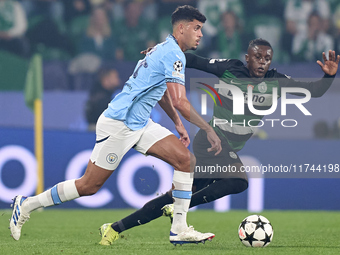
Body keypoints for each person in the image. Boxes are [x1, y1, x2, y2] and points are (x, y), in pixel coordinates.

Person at [9, 5, 222, 246]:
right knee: (88, 186)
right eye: (196, 28)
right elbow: (181, 101)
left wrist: (177, 124)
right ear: (181, 28)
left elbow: (161, 93)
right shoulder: (172, 54)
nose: (200, 34)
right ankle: (26, 205)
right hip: (119, 123)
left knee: (186, 161)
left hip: (140, 123)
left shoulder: (163, 50)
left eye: (201, 29)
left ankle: (179, 229)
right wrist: (207, 128)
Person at [98, 38, 339, 244]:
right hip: (211, 141)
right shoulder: (230, 69)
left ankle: (114, 228)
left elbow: (314, 90)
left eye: (267, 58)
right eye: (257, 57)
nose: (263, 62)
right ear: (248, 58)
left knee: (174, 196)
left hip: (226, 147)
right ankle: (182, 205)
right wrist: (159, 52)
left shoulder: (276, 81)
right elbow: (193, 60)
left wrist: (329, 76)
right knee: (238, 180)